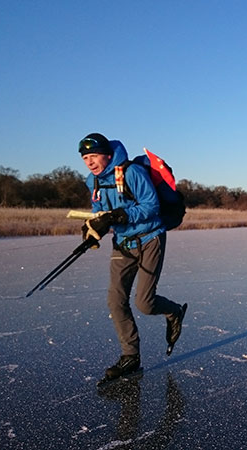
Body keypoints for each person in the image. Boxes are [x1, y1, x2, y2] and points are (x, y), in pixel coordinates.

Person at [78, 132, 187, 384]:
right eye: (85, 158)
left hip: (150, 239)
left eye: (94, 156)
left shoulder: (131, 173)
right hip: (123, 244)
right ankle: (130, 357)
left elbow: (151, 207)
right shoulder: (91, 181)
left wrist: (117, 216)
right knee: (115, 300)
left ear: (107, 154)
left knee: (145, 304)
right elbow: (99, 212)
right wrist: (95, 230)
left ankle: (174, 312)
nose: (90, 162)